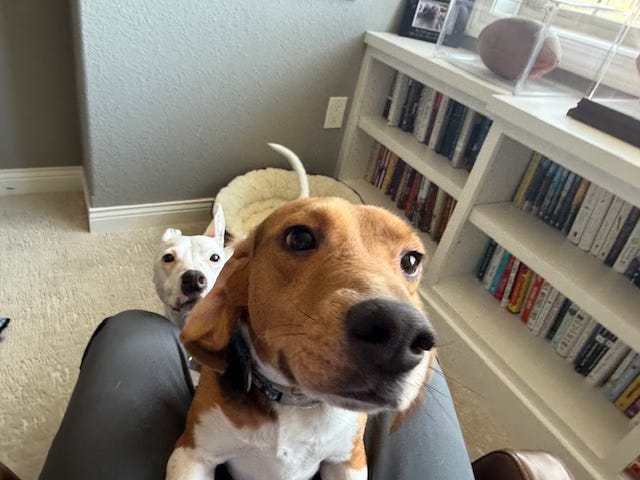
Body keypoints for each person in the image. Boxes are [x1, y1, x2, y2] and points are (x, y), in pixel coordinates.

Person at [39, 310, 475, 480]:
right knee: (429, 371)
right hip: (237, 413)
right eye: (301, 240)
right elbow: (195, 454)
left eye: (409, 261)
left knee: (136, 329)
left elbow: (346, 458)